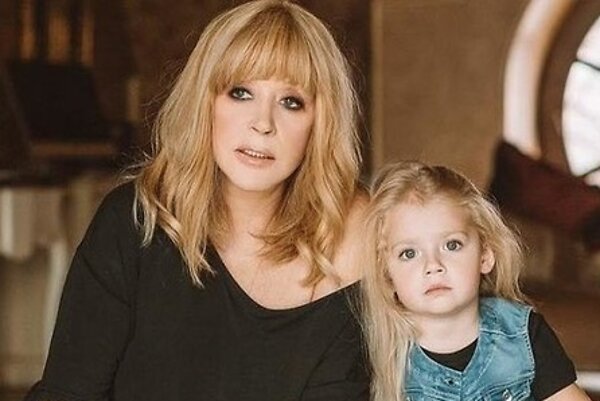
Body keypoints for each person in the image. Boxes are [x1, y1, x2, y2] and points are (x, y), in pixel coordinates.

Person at [25, 1, 369, 400]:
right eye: (240, 92)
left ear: (320, 124)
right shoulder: (133, 222)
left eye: (291, 102)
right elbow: (68, 392)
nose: (263, 123)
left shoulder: (358, 241)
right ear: (206, 102)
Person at [359, 161, 591, 401]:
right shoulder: (378, 352)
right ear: (387, 275)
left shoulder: (521, 332)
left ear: (485, 256)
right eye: (409, 253)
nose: (433, 265)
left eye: (452, 245)